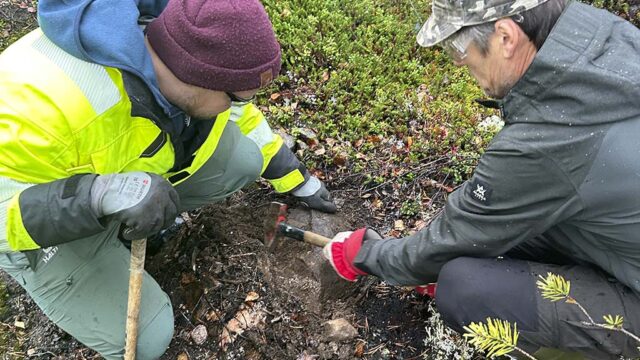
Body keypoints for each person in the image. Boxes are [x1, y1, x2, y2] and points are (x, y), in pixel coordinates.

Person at [0, 0, 336, 358]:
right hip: (41, 230)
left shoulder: (177, 44)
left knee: (242, 159)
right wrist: (95, 197)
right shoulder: (42, 106)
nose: (241, 104)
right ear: (198, 78)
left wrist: (290, 173)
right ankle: (91, 252)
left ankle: (122, 226)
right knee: (148, 336)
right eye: (238, 95)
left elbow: (241, 115)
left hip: (124, 182)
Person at [323, 0, 640, 359]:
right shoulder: (602, 41)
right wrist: (439, 252)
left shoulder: (551, 135)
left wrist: (364, 255)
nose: (460, 62)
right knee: (487, 236)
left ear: (506, 37)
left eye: (458, 48)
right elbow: (479, 222)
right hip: (624, 246)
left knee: (464, 288)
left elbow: (454, 239)